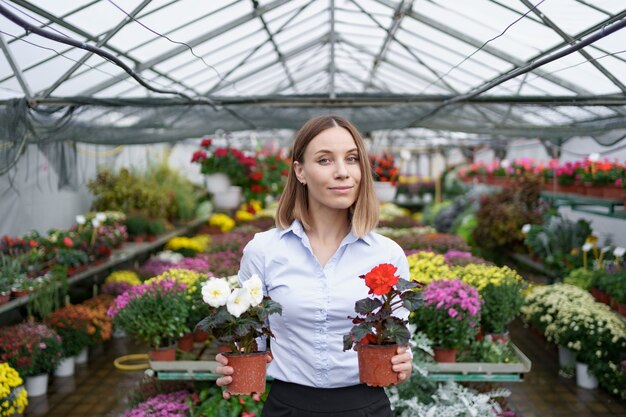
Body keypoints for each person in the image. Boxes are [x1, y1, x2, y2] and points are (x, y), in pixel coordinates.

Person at [215, 115, 412, 416]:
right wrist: (232, 367)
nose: (343, 172)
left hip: (366, 406)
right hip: (288, 407)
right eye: (324, 160)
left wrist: (403, 361)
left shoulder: (387, 254)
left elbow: (397, 339)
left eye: (352, 159)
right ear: (300, 171)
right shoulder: (264, 251)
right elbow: (249, 339)